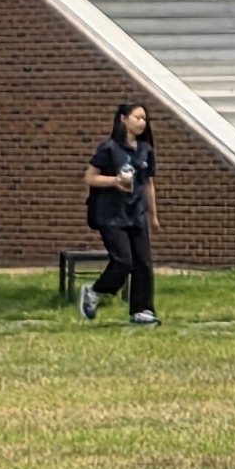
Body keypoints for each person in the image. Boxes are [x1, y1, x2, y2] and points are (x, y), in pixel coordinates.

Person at [83, 102, 158, 325]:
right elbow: (90, 177)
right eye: (137, 117)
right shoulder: (109, 148)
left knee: (143, 263)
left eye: (144, 119)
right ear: (123, 119)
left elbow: (148, 183)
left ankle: (141, 310)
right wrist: (114, 181)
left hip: (137, 213)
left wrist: (153, 214)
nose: (142, 122)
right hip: (111, 214)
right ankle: (95, 292)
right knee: (124, 261)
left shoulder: (146, 150)